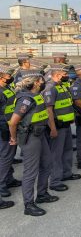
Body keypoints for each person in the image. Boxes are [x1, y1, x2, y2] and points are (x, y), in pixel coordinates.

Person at [9, 70, 59, 216]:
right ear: (36, 82)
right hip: (30, 137)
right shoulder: (26, 99)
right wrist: (14, 138)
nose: (44, 82)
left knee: (47, 163)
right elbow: (13, 123)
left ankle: (42, 193)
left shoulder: (37, 96)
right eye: (42, 80)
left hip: (40, 134)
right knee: (30, 171)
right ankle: (29, 204)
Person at [43, 64, 81, 193]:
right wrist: (52, 128)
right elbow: (49, 110)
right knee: (56, 155)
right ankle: (55, 181)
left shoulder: (62, 86)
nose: (67, 76)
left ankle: (66, 173)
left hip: (66, 125)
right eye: (65, 74)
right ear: (58, 75)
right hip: (57, 127)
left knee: (67, 150)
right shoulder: (50, 88)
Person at [0, 65, 19, 209]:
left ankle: (9, 178)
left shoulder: (6, 89)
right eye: (8, 77)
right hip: (4, 128)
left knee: (10, 154)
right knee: (5, 156)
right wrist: (5, 127)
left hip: (10, 125)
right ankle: (1, 184)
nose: (10, 78)